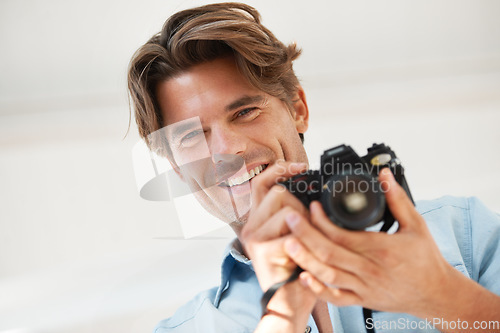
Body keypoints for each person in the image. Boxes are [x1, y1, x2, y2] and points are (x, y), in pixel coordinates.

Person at [127, 3, 500, 332]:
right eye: (192, 137)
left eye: (245, 112)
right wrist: (283, 316)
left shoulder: (464, 234)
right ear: (177, 168)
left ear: (298, 109)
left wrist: (443, 295)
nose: (229, 150)